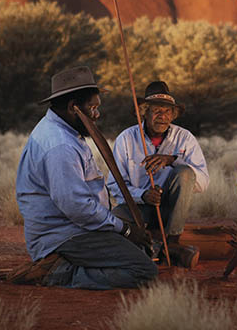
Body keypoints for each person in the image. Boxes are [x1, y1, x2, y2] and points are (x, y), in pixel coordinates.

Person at [14, 66, 158, 289]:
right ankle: (60, 273)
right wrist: (125, 229)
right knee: (144, 271)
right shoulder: (60, 145)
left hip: (76, 228)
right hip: (63, 236)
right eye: (93, 108)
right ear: (73, 107)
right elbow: (77, 208)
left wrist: (122, 229)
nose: (97, 114)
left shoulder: (65, 131)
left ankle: (72, 264)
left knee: (138, 249)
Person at [108, 80, 210, 268]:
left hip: (172, 212)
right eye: (156, 110)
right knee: (113, 220)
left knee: (185, 172)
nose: (162, 116)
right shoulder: (126, 139)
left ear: (174, 115)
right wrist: (143, 195)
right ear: (144, 112)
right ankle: (158, 250)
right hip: (138, 209)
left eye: (168, 111)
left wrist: (173, 160)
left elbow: (203, 183)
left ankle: (172, 243)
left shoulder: (185, 138)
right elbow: (115, 185)